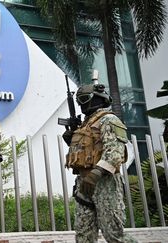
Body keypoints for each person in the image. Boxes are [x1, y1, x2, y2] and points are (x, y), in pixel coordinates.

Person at [62, 83, 137, 243]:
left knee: (114, 235)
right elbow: (87, 152)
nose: (81, 104)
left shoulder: (108, 119)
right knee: (83, 236)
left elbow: (114, 153)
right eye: (79, 101)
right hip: (84, 183)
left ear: (97, 98)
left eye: (83, 99)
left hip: (104, 183)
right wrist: (71, 140)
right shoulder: (86, 124)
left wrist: (95, 174)